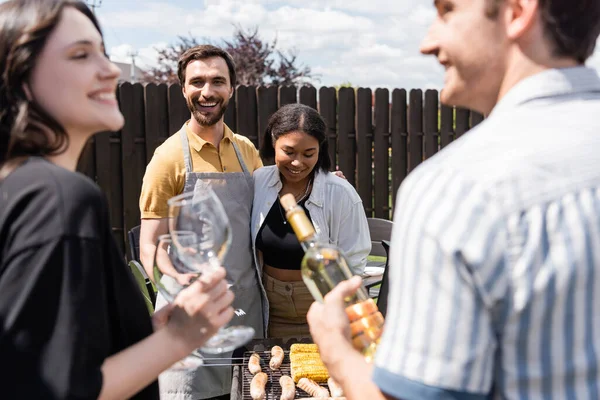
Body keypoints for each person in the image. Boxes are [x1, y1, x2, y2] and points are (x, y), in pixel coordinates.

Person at [307, 0, 600, 399]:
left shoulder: (454, 190)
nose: (428, 42)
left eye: (447, 10)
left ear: (517, 11)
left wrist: (335, 349)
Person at [0, 1, 235, 399]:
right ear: (21, 78)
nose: (109, 70)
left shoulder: (19, 187)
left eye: (103, 53)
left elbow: (32, 356)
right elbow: (57, 390)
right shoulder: (58, 199)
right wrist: (178, 340)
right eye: (80, 54)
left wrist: (143, 332)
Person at [138, 45, 265, 400]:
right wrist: (175, 282)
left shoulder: (246, 151)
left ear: (231, 89)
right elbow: (151, 243)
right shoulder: (166, 159)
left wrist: (325, 182)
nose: (207, 91)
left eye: (217, 81)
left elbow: (272, 205)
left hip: (243, 307)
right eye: (197, 82)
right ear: (183, 89)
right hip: (191, 312)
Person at [251, 103, 370, 338]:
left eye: (309, 154)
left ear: (320, 150)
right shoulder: (257, 183)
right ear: (273, 143)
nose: (297, 163)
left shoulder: (341, 194)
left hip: (322, 307)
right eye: (289, 152)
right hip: (270, 310)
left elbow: (355, 261)